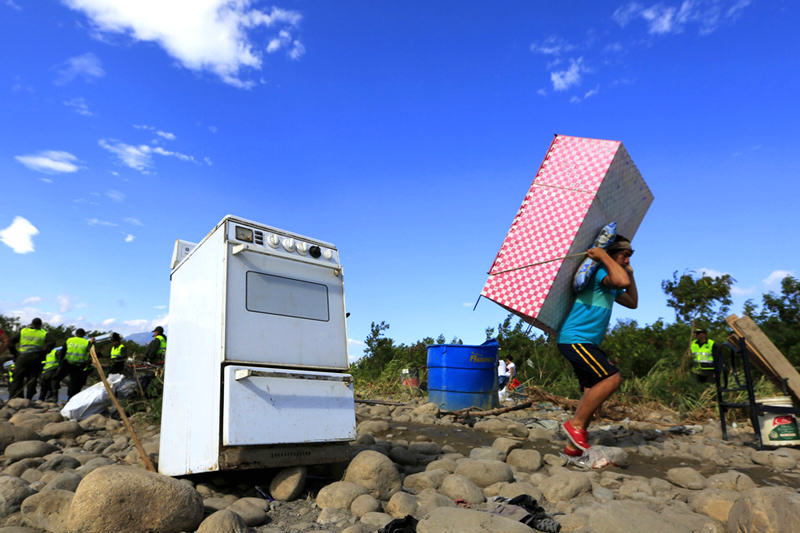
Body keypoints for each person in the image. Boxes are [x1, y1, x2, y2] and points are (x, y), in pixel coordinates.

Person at [557, 236, 638, 457]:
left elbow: (632, 302)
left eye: (631, 254)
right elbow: (620, 282)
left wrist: (630, 272)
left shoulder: (612, 281)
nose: (628, 259)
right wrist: (603, 256)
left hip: (587, 342)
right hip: (575, 339)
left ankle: (573, 447)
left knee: (592, 391)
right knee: (612, 378)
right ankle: (575, 425)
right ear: (611, 254)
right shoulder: (600, 273)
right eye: (624, 254)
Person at [8, 318, 48, 399]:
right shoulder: (44, 333)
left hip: (23, 357)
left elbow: (11, 342)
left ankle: (14, 397)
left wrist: (15, 353)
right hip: (36, 357)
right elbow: (52, 343)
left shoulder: (23, 331)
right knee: (32, 378)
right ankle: (29, 398)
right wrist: (43, 353)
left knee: (17, 377)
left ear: (31, 324)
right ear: (40, 325)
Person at [52, 328, 95, 400]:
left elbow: (63, 352)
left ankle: (54, 396)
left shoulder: (69, 340)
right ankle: (70, 399)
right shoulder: (86, 342)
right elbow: (92, 353)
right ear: (84, 335)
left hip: (67, 363)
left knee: (56, 378)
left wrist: (60, 363)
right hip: (79, 366)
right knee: (74, 383)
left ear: (75, 334)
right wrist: (92, 343)